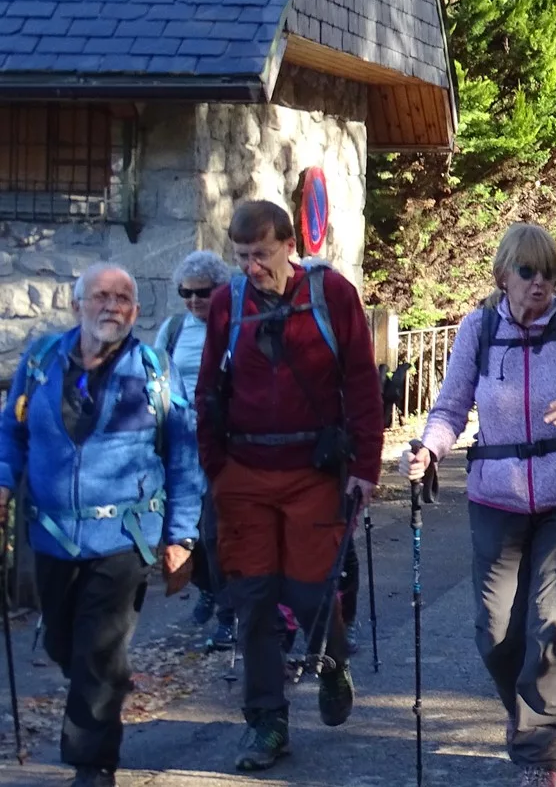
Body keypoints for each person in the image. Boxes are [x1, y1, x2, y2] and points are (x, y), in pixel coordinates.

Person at [401, 225, 556, 787]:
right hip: (496, 497)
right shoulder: (477, 330)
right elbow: (451, 408)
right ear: (504, 273)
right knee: (496, 633)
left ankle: (538, 756)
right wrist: (428, 448)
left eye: (549, 273)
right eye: (528, 272)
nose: (540, 284)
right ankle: (528, 717)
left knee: (553, 624)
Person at [194, 201, 383, 772]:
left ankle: (333, 661)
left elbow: (362, 382)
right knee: (251, 604)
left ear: (288, 246)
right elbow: (209, 388)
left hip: (314, 473)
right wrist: (216, 468)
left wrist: (365, 468)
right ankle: (266, 723)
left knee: (310, 593)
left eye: (262, 254)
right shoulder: (229, 302)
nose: (252, 266)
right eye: (243, 256)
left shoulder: (331, 296)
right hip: (245, 474)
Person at [0, 263, 204, 787]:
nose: (111, 306)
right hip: (50, 535)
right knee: (63, 646)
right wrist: (3, 480)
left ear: (135, 313)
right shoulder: (41, 360)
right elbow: (12, 431)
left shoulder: (154, 369)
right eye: (100, 296)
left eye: (123, 299)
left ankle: (92, 765)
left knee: (98, 649)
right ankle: (105, 688)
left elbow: (183, 453)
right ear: (77, 305)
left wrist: (181, 535)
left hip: (124, 538)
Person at [154, 249, 237, 652]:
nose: (193, 301)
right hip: (182, 447)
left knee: (216, 531)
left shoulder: (236, 326)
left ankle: (229, 615)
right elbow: (157, 378)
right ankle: (206, 589)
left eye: (201, 293)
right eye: (185, 293)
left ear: (220, 290)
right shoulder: (173, 330)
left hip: (225, 446)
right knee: (186, 532)